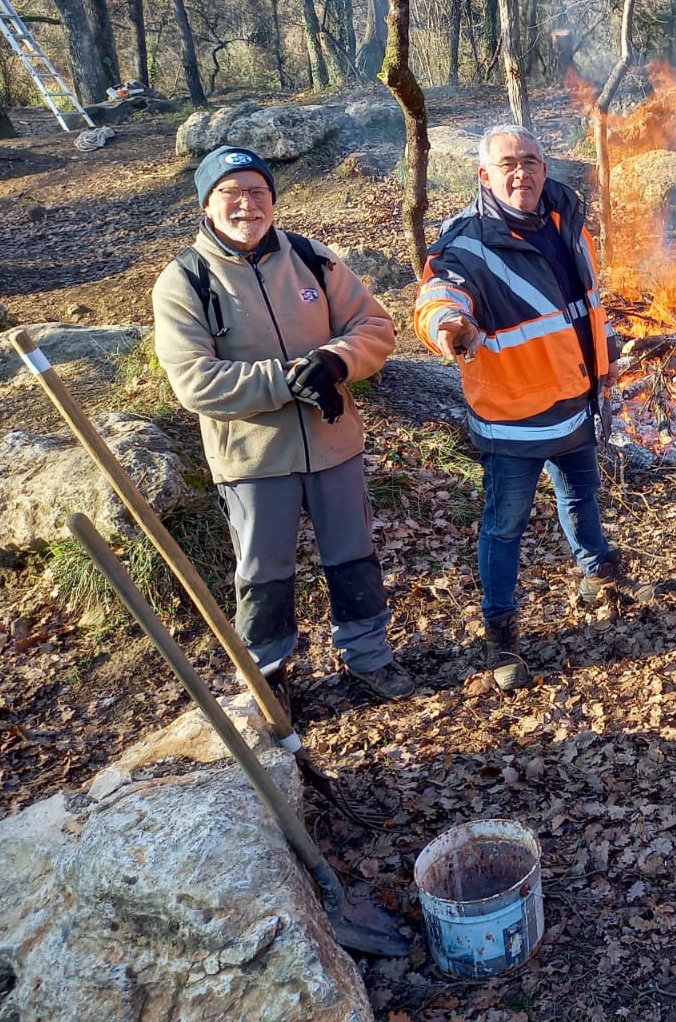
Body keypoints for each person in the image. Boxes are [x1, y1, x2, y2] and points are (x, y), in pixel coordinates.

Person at [152, 146, 409, 703]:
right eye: (231, 193)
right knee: (264, 574)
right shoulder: (185, 281)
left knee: (354, 556)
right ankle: (267, 683)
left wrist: (338, 359)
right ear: (206, 204)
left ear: (272, 200)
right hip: (252, 458)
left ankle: (370, 658)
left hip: (334, 444)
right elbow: (194, 381)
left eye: (258, 193)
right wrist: (286, 379)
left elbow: (375, 326)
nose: (247, 205)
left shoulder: (312, 258)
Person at [413, 124, 622, 690]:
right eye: (508, 164)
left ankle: (597, 572)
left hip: (576, 397)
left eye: (530, 161)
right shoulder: (467, 242)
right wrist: (448, 327)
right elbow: (439, 295)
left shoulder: (566, 219)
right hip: (513, 418)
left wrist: (602, 369)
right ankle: (499, 632)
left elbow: (582, 304)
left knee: (581, 493)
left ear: (544, 168)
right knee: (505, 527)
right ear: (484, 175)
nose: (521, 173)